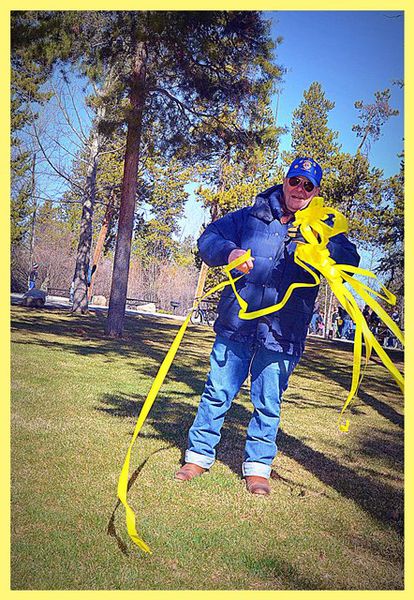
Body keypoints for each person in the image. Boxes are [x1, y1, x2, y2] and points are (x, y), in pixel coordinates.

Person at [175, 157, 360, 495]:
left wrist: (324, 245)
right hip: (238, 322)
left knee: (268, 401)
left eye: (308, 185)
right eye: (295, 181)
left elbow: (350, 260)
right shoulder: (250, 215)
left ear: (316, 191)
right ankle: (198, 456)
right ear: (285, 181)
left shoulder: (324, 225)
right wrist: (230, 253)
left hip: (283, 331)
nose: (300, 190)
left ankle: (258, 468)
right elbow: (209, 238)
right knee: (217, 392)